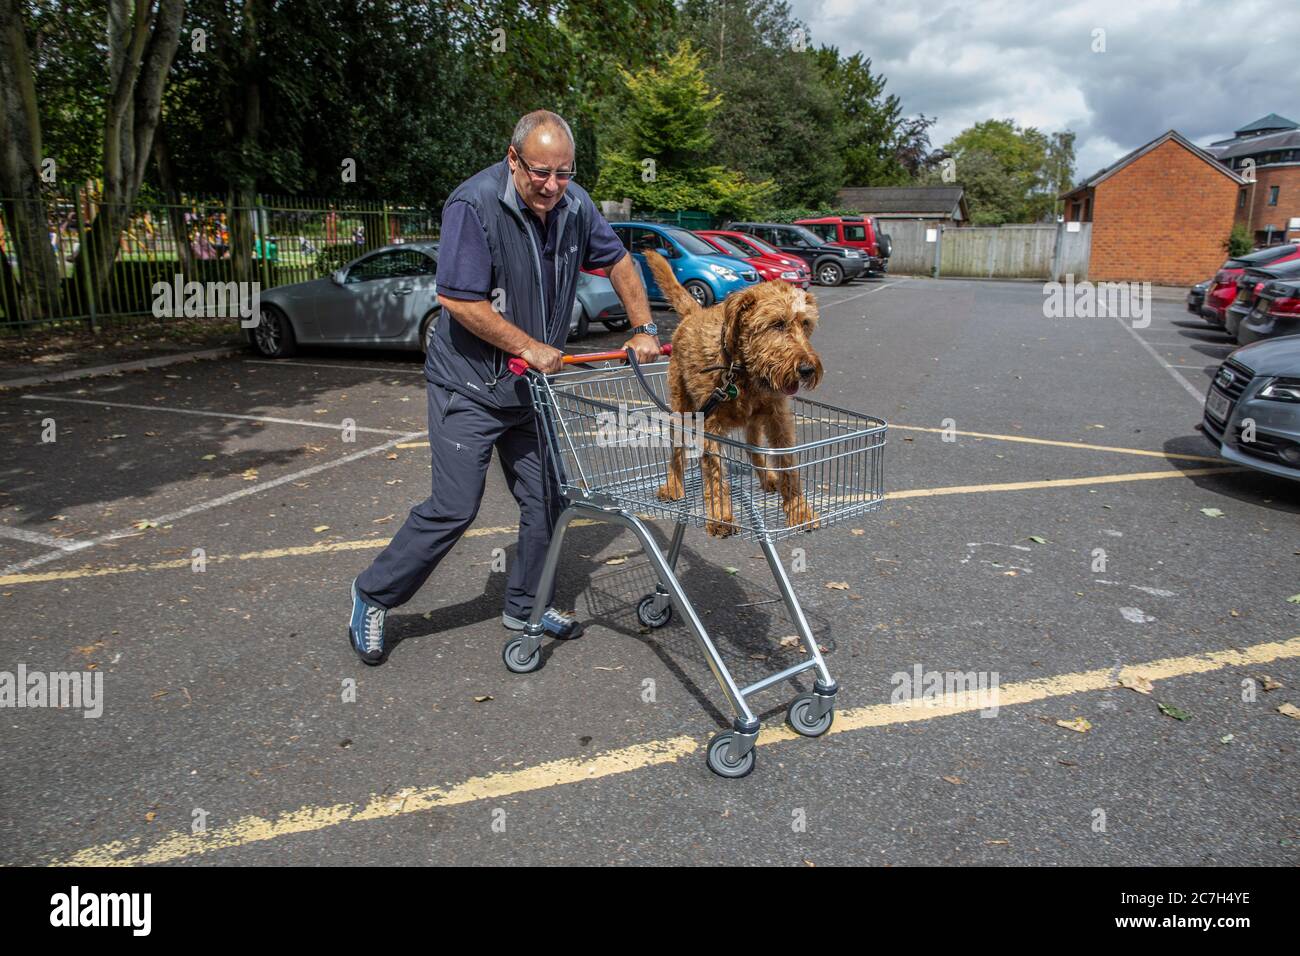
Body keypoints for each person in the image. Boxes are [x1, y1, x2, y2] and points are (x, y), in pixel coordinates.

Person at [347, 110, 660, 664]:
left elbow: (618, 262)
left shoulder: (575, 205)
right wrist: (527, 346)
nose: (551, 186)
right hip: (468, 384)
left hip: (531, 389)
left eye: (564, 173)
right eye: (541, 171)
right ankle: (373, 594)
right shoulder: (473, 206)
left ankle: (525, 604)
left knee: (547, 499)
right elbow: (459, 300)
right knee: (454, 506)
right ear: (513, 158)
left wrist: (643, 328)